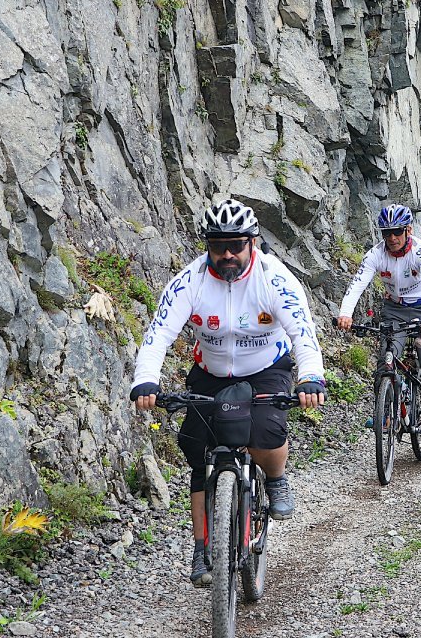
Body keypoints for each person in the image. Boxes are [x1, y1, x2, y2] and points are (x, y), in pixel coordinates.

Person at [128, 198, 327, 587]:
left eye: (237, 244)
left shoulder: (274, 278)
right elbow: (158, 335)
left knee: (265, 432)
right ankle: (202, 549)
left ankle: (275, 478)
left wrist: (310, 377)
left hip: (267, 369)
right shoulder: (191, 281)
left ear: (253, 242)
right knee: (197, 451)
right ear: (207, 246)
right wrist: (145, 379)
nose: (228, 254)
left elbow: (303, 332)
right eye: (219, 246)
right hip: (210, 371)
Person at [337, 204, 421, 434]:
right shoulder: (376, 254)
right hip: (394, 310)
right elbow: (358, 284)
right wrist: (345, 314)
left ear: (408, 230)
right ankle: (385, 413)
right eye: (387, 233)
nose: (392, 238)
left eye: (397, 232)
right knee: (386, 360)